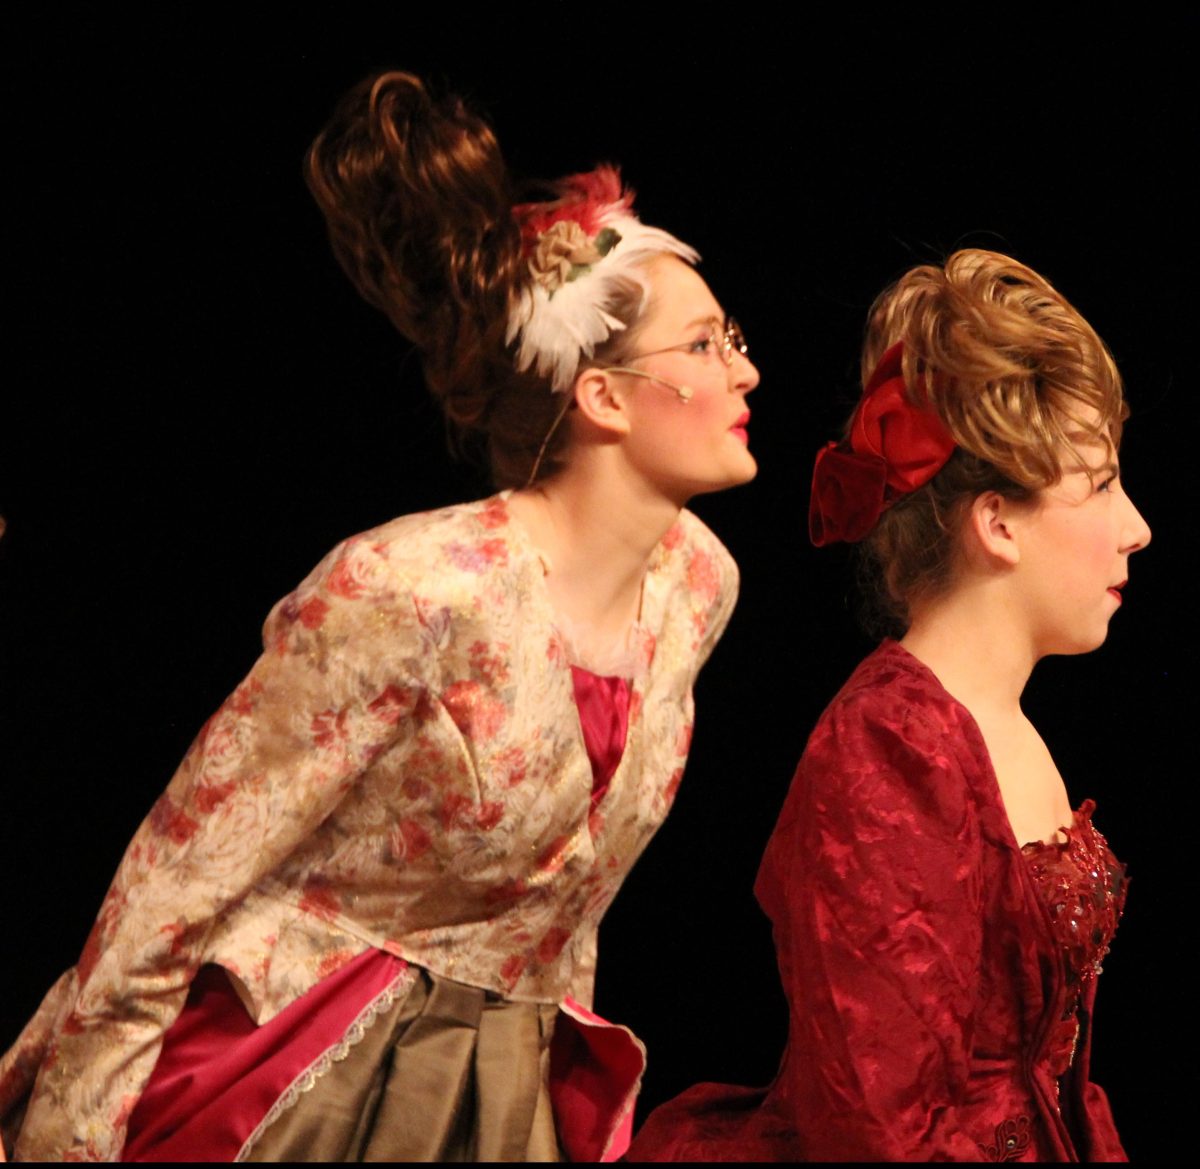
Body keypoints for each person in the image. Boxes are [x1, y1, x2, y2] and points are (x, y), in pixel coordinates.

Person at [0, 71, 759, 1162]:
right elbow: (182, 868)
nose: (747, 370)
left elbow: (566, 897)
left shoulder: (696, 583)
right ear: (601, 395)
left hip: (499, 1093)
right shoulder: (415, 587)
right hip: (302, 1072)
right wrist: (73, 1132)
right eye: (705, 345)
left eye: (731, 337)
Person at [628, 249, 1148, 1162]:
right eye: (1101, 484)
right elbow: (875, 1124)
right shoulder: (889, 747)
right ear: (997, 522)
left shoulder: (1004, 725)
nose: (1137, 527)